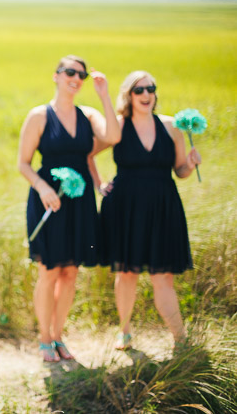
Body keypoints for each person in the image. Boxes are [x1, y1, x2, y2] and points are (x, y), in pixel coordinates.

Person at [17, 55, 120, 362]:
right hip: (48, 199)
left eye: (82, 75)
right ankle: (44, 339)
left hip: (81, 201)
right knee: (49, 271)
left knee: (71, 273)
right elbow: (22, 163)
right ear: (56, 76)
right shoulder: (39, 116)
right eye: (70, 72)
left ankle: (59, 336)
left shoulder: (88, 116)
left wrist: (104, 95)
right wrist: (43, 187)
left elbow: (113, 136)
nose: (76, 78)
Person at [90, 71, 200, 350]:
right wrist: (99, 184)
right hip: (126, 209)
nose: (146, 95)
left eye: (151, 89)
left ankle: (181, 340)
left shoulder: (171, 126)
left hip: (164, 207)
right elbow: (88, 154)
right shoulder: (119, 126)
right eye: (139, 90)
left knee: (163, 276)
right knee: (126, 273)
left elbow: (180, 171)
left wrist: (191, 163)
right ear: (129, 96)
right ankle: (124, 332)